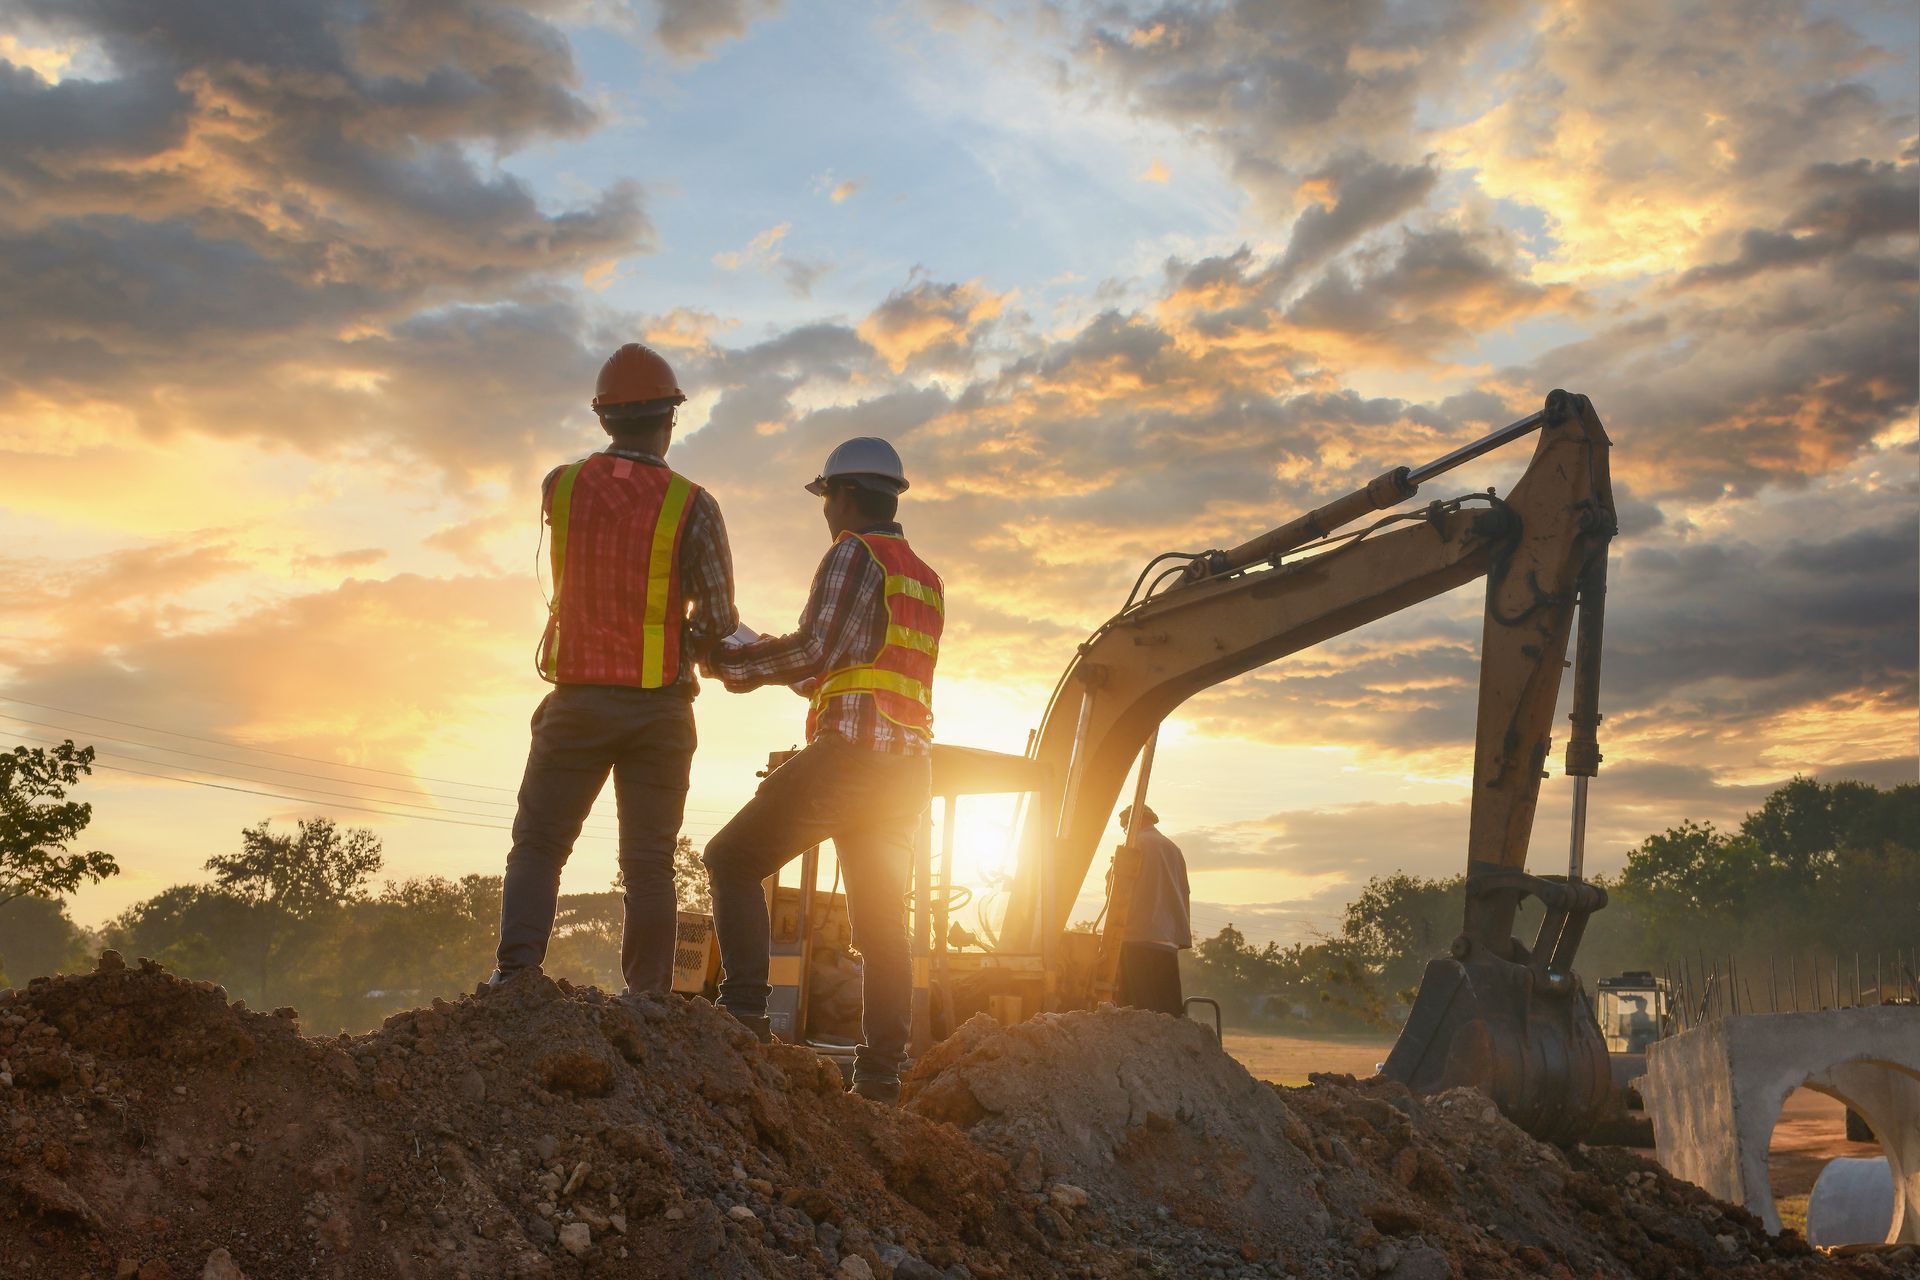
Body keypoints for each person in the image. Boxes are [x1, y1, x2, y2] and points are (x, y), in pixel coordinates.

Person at [490, 343, 737, 994]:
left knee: (540, 843)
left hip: (577, 700)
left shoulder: (560, 486)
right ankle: (649, 1004)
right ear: (670, 420)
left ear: (603, 419)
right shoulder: (694, 505)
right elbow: (715, 620)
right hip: (658, 707)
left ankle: (516, 978)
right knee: (650, 863)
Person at [703, 436, 941, 1104]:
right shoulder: (921, 575)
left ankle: (744, 1016)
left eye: (826, 498)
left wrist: (729, 659)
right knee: (882, 927)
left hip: (850, 761)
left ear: (843, 496)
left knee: (730, 858)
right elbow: (845, 672)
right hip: (905, 772)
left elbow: (812, 654)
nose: (825, 513)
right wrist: (760, 652)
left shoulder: (851, 553)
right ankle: (880, 1077)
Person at [1112, 804, 1192, 1016]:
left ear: (1131, 822)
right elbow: (1184, 891)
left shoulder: (1134, 844)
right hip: (1168, 940)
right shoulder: (1173, 849)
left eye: (1124, 826)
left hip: (1136, 937)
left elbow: (1115, 890)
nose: (1124, 831)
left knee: (1133, 1011)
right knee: (1166, 1012)